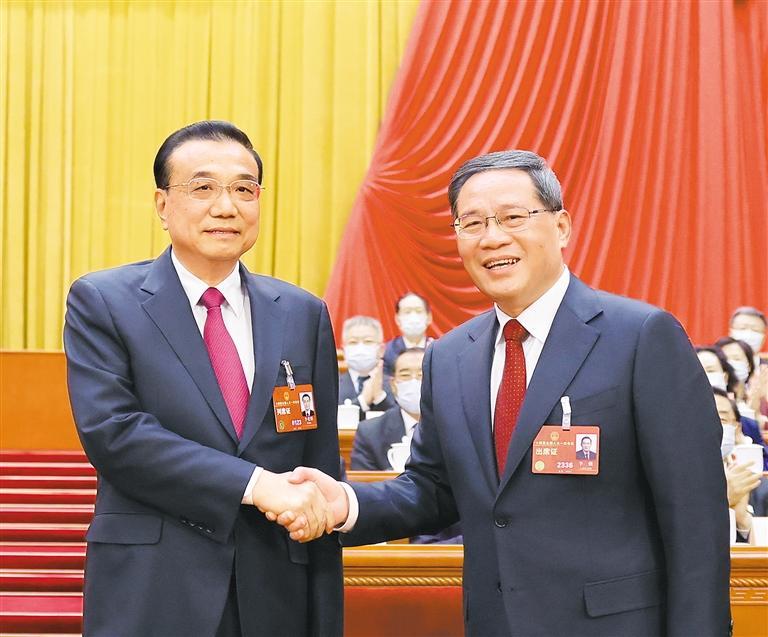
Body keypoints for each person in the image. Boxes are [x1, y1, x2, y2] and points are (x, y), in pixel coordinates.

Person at [286, 150, 730, 636]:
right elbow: (433, 489)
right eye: (472, 223)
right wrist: (346, 504)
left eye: (513, 218)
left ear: (561, 227)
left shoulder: (641, 337)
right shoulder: (449, 357)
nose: (493, 237)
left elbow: (695, 519)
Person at [63, 121, 342, 637]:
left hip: (275, 588)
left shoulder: (302, 313)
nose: (226, 207)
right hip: (153, 586)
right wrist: (255, 485)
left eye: (244, 189)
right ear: (162, 204)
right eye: (203, 187)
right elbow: (115, 434)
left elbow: (319, 462)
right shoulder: (105, 301)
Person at [338, 315, 395, 416]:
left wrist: (380, 397)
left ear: (381, 350)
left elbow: (402, 420)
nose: (360, 347)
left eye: (368, 341)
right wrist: (362, 401)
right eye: (353, 342)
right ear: (344, 350)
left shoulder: (395, 384)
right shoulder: (333, 385)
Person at [382, 293, 434, 377]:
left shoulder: (438, 349)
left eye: (419, 311)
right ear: (397, 319)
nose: (413, 317)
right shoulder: (387, 352)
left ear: (429, 317)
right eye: (407, 312)